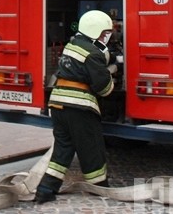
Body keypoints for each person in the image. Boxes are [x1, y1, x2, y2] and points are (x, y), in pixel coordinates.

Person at [34, 10, 117, 204]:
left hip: (58, 104)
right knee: (91, 147)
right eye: (105, 33)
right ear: (95, 31)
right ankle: (99, 187)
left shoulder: (72, 45)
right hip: (79, 107)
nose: (107, 37)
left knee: (63, 149)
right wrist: (111, 72)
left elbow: (80, 65)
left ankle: (45, 190)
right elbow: (104, 89)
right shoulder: (93, 53)